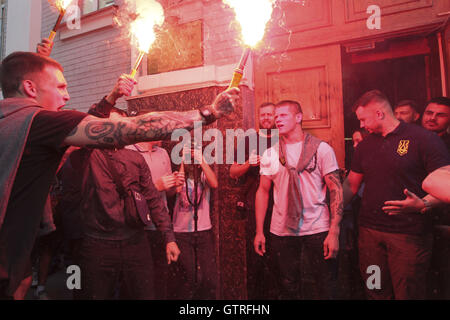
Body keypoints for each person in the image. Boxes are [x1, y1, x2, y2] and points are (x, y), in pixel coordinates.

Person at [0, 51, 240, 299]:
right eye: (60, 86)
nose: (67, 95)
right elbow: (136, 128)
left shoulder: (12, 122)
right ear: (29, 87)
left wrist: (112, 96)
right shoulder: (38, 122)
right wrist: (208, 112)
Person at [343, 90, 450, 300]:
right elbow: (351, 186)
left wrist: (424, 204)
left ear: (380, 113)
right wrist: (331, 211)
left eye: (364, 119)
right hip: (370, 236)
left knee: (408, 294)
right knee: (375, 289)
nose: (362, 125)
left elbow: (445, 183)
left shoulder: (424, 139)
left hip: (408, 236)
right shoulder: (365, 146)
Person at [254, 100, 343, 300]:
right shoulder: (271, 154)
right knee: (288, 286)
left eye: (283, 115)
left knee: (326, 285)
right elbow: (263, 191)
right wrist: (259, 231)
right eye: (276, 116)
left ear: (299, 118)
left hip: (317, 227)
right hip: (282, 229)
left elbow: (335, 189)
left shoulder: (321, 149)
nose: (278, 119)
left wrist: (334, 231)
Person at [229, 102, 278, 299]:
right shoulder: (249, 140)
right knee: (255, 258)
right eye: (263, 115)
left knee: (277, 259)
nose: (266, 118)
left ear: (276, 117)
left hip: (280, 205)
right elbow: (232, 172)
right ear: (259, 117)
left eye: (270, 115)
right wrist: (249, 164)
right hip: (253, 206)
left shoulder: (282, 138)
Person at [126, 140, 183, 299]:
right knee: (139, 283)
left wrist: (173, 185)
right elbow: (127, 194)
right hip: (138, 228)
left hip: (160, 226)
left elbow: (169, 195)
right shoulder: (129, 151)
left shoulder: (163, 153)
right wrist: (156, 186)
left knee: (160, 280)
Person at [172, 143, 218, 299]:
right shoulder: (177, 174)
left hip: (203, 230)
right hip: (181, 232)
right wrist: (183, 162)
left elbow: (215, 183)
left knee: (209, 276)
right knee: (189, 276)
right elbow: (177, 189)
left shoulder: (203, 176)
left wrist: (201, 160)